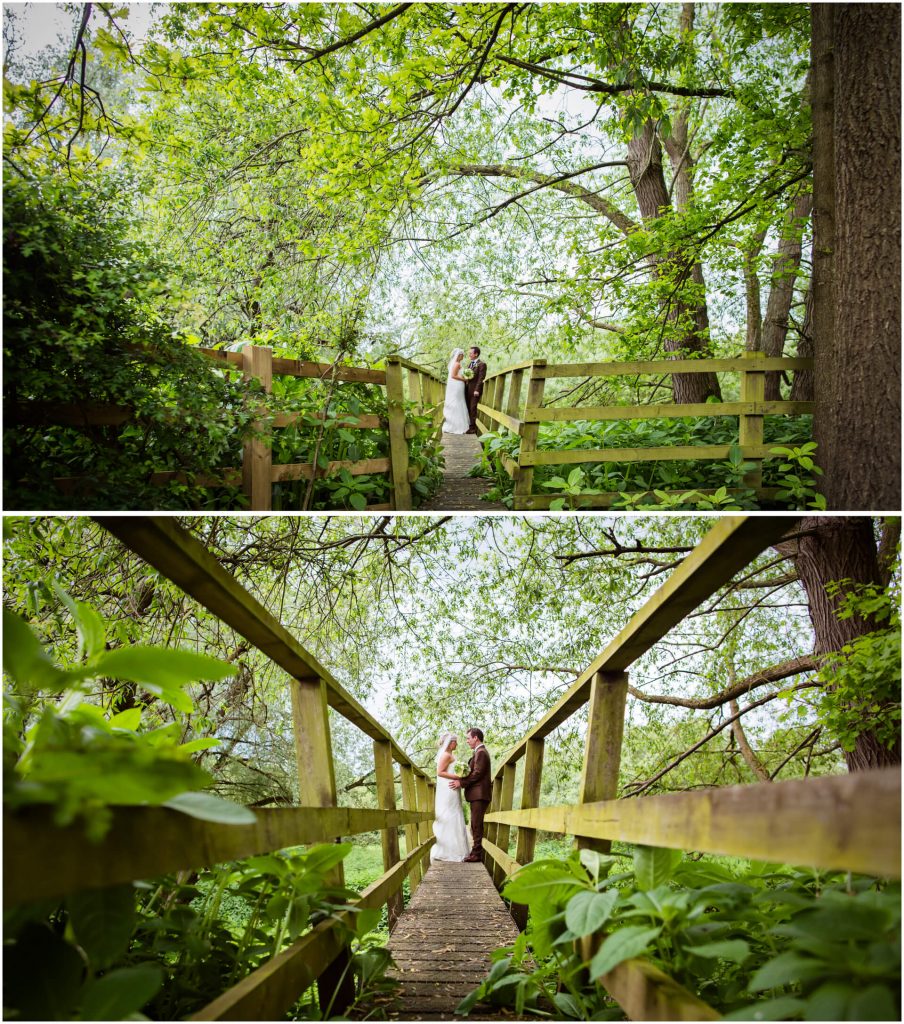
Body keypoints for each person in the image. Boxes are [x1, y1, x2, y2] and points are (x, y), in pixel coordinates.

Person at [449, 727, 491, 862]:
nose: (467, 741)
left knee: (476, 824)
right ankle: (475, 852)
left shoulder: (482, 752)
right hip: (477, 795)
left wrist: (461, 782)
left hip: (480, 794)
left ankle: (476, 854)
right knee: (475, 823)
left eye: (468, 738)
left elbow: (477, 773)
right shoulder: (478, 752)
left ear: (475, 738)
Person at [431, 732, 471, 862]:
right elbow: (440, 772)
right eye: (455, 742)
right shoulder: (446, 755)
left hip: (453, 788)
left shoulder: (450, 755)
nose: (457, 744)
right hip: (449, 789)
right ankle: (450, 851)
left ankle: (459, 849)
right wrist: (458, 776)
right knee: (450, 813)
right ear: (450, 743)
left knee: (455, 813)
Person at [442, 348, 471, 434]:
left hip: (457, 384)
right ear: (458, 355)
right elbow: (453, 376)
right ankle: (457, 426)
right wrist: (465, 379)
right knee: (458, 402)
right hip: (457, 384)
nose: (463, 356)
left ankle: (457, 424)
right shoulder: (457, 364)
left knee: (459, 401)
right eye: (462, 355)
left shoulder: (456, 364)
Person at [463, 347, 487, 434]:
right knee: (468, 408)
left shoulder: (482, 364)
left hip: (474, 391)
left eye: (471, 353)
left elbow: (481, 378)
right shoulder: (470, 364)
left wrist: (477, 390)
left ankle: (473, 428)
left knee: (473, 408)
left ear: (476, 354)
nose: (469, 354)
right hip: (467, 390)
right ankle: (468, 425)